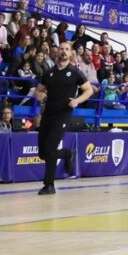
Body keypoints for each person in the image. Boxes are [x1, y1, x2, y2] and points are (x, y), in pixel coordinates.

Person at [34, 41, 92, 195]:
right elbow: (38, 91)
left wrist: (77, 101)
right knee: (43, 153)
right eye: (61, 49)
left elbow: (89, 90)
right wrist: (40, 95)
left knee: (51, 148)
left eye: (67, 49)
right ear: (57, 52)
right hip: (48, 113)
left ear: (71, 53)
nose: (64, 52)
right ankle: (67, 154)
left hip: (63, 114)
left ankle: (49, 185)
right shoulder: (49, 72)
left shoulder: (75, 72)